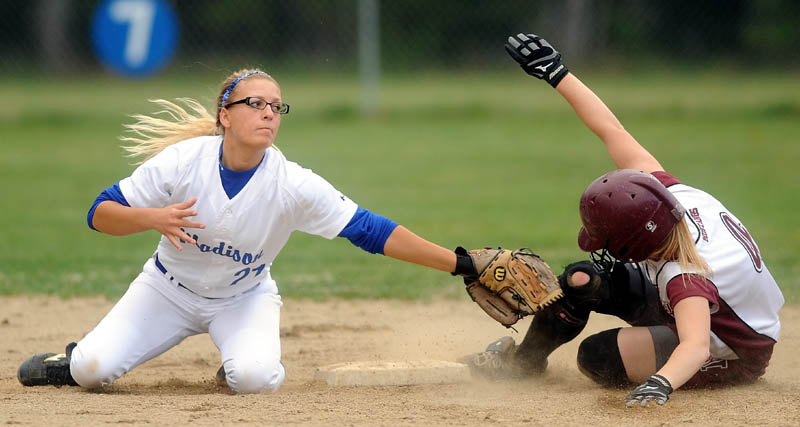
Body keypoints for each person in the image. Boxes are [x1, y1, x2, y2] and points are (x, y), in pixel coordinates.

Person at [17, 69, 476, 394]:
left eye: (277, 107)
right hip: (166, 289)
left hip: (243, 298)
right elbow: (100, 212)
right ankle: (70, 362)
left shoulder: (293, 183)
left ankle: (234, 359)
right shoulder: (184, 161)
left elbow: (370, 230)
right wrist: (151, 218)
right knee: (93, 371)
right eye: (255, 103)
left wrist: (460, 263)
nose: (269, 113)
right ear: (225, 114)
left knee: (254, 379)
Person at [463, 34, 784, 407]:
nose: (602, 244)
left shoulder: (685, 276)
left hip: (732, 347)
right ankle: (523, 363)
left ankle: (674, 363)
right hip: (699, 303)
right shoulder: (667, 198)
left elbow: (695, 346)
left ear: (633, 245)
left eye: (607, 239)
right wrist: (557, 73)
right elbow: (611, 130)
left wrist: (660, 383)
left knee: (597, 357)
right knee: (582, 280)